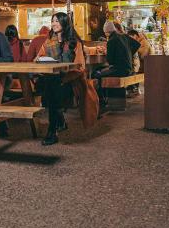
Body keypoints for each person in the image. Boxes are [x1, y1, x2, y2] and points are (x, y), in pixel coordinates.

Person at [35, 12, 98, 146]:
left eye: (57, 21)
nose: (54, 24)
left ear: (64, 23)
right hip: (53, 81)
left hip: (71, 82)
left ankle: (52, 131)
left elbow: (80, 67)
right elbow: (38, 58)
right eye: (52, 21)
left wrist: (64, 79)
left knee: (52, 91)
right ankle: (58, 124)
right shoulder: (48, 41)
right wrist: (39, 60)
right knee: (51, 87)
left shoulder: (74, 42)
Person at [93, 21, 142, 111]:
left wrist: (107, 52)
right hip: (128, 68)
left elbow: (110, 61)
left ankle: (102, 103)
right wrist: (128, 54)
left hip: (120, 70)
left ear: (106, 32)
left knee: (96, 75)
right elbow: (137, 44)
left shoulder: (111, 41)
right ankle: (114, 103)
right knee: (103, 71)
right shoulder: (124, 36)